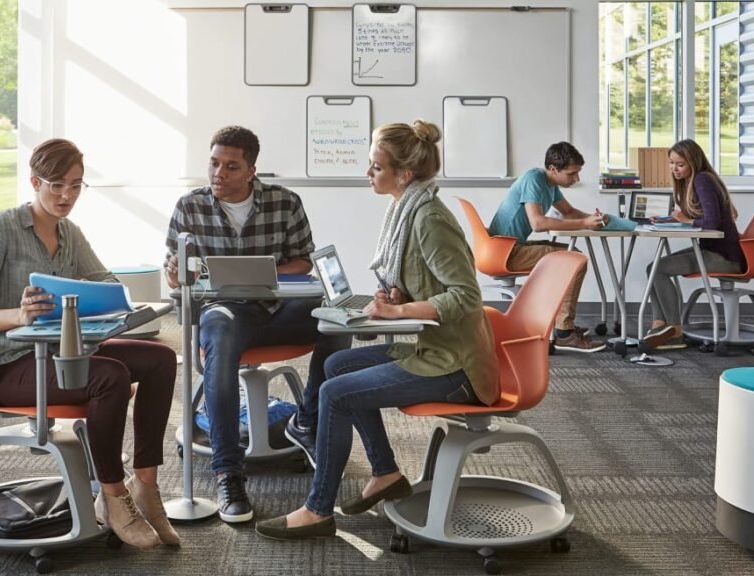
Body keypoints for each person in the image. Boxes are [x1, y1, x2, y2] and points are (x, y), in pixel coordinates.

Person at [255, 120, 497, 540]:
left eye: (376, 167)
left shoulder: (428, 220)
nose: (368, 174)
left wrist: (399, 308)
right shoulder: (407, 210)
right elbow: (433, 283)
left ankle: (318, 510)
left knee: (334, 393)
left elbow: (467, 297)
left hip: (455, 367)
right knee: (336, 365)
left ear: (403, 174)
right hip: (431, 350)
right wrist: (398, 295)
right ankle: (384, 472)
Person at [0, 139, 179, 549]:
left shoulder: (70, 233)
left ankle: (145, 486)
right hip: (7, 366)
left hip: (64, 356)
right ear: (34, 181)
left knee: (161, 359)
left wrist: (106, 299)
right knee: (109, 376)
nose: (67, 196)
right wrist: (19, 315)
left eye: (76, 186)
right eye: (57, 185)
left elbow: (107, 283)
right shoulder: (0, 228)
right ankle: (112, 497)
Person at [164, 125, 351, 524]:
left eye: (231, 166)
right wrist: (177, 272)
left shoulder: (285, 202)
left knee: (336, 316)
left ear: (251, 170)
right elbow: (176, 274)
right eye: (214, 163)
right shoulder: (189, 207)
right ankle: (228, 472)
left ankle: (306, 420)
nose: (219, 173)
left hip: (278, 309)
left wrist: (266, 275)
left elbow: (304, 259)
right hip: (224, 312)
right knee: (221, 329)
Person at [486, 142, 607, 353]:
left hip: (510, 248)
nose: (576, 179)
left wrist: (593, 218)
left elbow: (568, 212)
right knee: (573, 262)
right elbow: (538, 223)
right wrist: (584, 224)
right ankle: (564, 333)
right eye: (572, 173)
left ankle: (562, 327)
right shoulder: (534, 179)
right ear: (553, 168)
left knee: (574, 257)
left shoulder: (550, 185)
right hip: (504, 253)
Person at [643, 139, 745, 350]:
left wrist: (685, 220)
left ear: (694, 162)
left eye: (680, 164)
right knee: (652, 269)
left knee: (658, 270)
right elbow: (698, 217)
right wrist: (672, 219)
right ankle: (660, 325)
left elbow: (711, 222)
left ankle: (675, 331)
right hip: (713, 251)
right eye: (671, 163)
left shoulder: (702, 180)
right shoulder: (695, 181)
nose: (674, 169)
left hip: (725, 257)